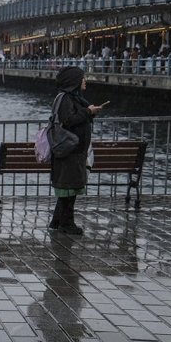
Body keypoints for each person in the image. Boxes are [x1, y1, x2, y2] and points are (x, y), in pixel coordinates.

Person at [48, 67, 105, 235]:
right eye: (82, 78)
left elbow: (76, 117)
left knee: (69, 186)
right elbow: (68, 120)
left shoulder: (74, 98)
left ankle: (58, 221)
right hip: (69, 151)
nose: (85, 81)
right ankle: (67, 224)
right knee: (69, 187)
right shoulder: (66, 98)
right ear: (74, 81)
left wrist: (90, 112)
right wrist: (88, 111)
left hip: (74, 150)